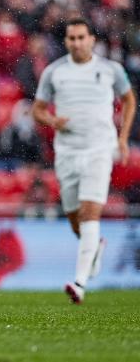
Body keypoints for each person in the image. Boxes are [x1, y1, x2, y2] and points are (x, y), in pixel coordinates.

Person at [32, 18, 136, 304]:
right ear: (66, 42)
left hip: (99, 150)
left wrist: (123, 138)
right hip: (67, 152)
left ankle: (79, 283)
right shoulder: (54, 73)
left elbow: (129, 100)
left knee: (91, 212)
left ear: (92, 39)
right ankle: (95, 246)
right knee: (75, 219)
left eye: (81, 37)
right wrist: (53, 120)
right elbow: (37, 110)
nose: (77, 43)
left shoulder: (110, 70)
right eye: (72, 38)